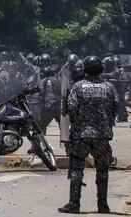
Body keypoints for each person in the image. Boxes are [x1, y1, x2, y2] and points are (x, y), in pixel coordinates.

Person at [58, 55, 119, 214]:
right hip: (102, 135)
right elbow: (116, 107)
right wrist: (106, 122)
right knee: (102, 170)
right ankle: (103, 205)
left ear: (85, 69)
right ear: (101, 69)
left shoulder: (78, 87)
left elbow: (71, 109)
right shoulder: (109, 87)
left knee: (77, 169)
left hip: (81, 134)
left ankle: (74, 204)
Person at [37, 53, 61, 134]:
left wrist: (40, 102)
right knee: (63, 127)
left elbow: (41, 95)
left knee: (39, 126)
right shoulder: (57, 79)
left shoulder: (44, 81)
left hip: (49, 107)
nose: (44, 64)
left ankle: (38, 145)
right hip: (59, 106)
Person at [102, 56, 128, 122]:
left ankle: (121, 116)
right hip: (109, 88)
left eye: (105, 64)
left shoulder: (117, 70)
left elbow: (115, 75)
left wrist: (107, 75)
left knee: (120, 102)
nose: (104, 66)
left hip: (119, 88)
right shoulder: (105, 70)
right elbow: (101, 75)